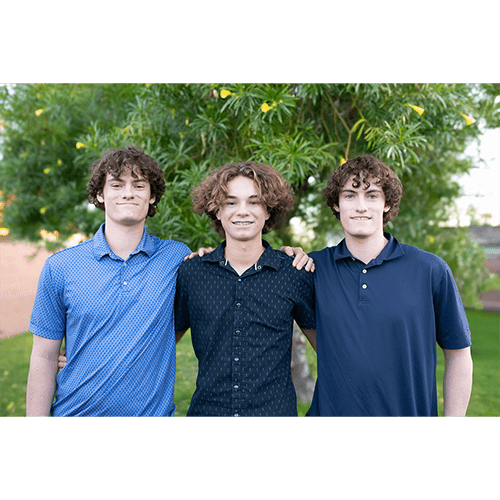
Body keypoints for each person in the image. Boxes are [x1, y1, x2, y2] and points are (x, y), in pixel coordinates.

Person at [284, 155, 473, 417]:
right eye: (350, 195)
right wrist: (282, 259)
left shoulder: (430, 269)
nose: (361, 206)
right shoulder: (312, 268)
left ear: (387, 204)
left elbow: (458, 354)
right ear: (337, 204)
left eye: (372, 195)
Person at [26, 147, 191, 416]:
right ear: (100, 194)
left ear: (152, 196)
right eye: (117, 184)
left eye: (139, 185)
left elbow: (185, 317)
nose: (128, 193)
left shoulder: (177, 258)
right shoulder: (61, 267)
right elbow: (44, 356)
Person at [175, 160, 317, 417]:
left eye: (254, 202)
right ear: (217, 210)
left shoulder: (294, 273)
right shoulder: (192, 273)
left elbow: (328, 351)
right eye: (231, 202)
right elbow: (161, 346)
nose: (242, 211)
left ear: (268, 210)